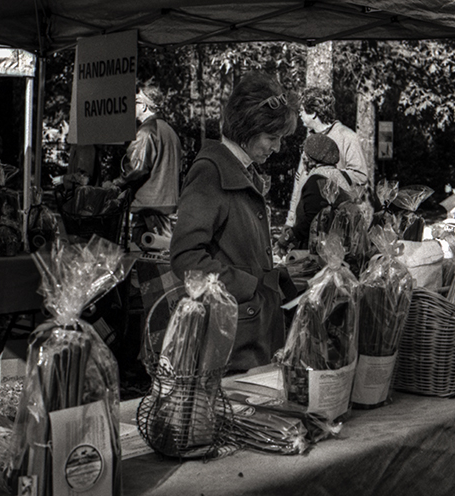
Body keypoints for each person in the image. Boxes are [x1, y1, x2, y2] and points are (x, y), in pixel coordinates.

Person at [170, 71, 299, 371]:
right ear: (247, 129)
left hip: (248, 329)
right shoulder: (211, 172)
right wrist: (248, 285)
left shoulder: (240, 169)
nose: (277, 148)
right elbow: (186, 257)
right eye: (272, 138)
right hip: (231, 335)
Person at [284, 86, 369, 229]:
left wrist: (329, 176)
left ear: (314, 113)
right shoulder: (311, 140)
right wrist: (290, 221)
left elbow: (360, 175)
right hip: (304, 224)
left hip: (334, 226)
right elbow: (299, 181)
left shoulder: (347, 137)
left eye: (302, 110)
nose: (299, 115)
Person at [109, 84, 183, 242]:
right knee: (158, 251)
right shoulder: (169, 130)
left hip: (150, 206)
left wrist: (116, 183)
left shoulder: (146, 131)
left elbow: (136, 167)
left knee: (155, 251)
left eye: (136, 101)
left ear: (144, 106)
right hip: (165, 203)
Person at [275, 133, 356, 254]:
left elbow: (312, 220)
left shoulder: (316, 180)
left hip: (318, 252)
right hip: (339, 248)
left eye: (304, 153)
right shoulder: (340, 176)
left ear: (309, 158)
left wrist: (286, 238)